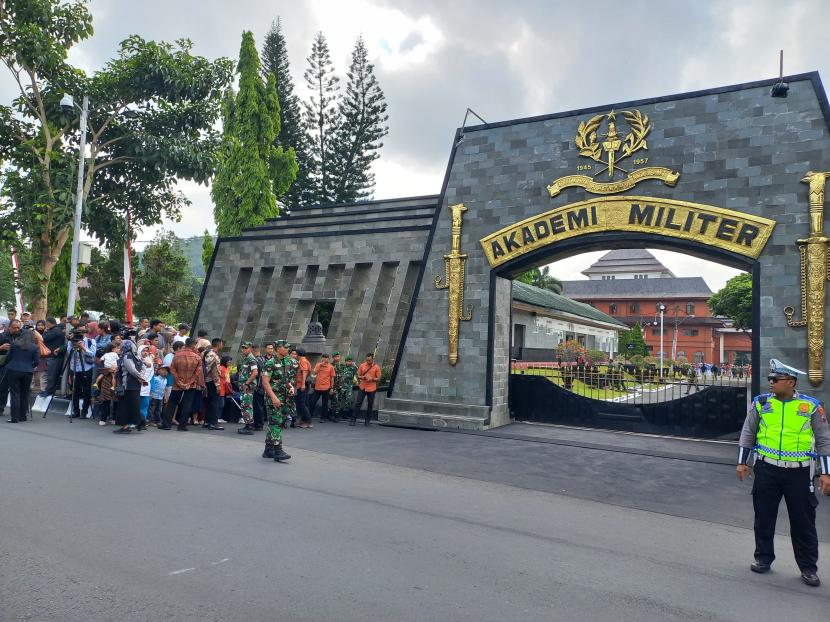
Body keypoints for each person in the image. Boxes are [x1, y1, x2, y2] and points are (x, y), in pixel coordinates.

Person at [737, 359, 830, 587]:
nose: (770, 383)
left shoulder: (811, 406)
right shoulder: (760, 403)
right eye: (770, 379)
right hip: (767, 470)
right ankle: (763, 558)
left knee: (803, 522)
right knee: (764, 517)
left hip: (798, 474)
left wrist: (826, 473)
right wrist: (743, 462)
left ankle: (808, 567)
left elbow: (823, 441)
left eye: (775, 380)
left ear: (790, 382)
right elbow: (748, 432)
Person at [0, 320, 39, 423]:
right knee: (25, 393)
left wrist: (8, 365)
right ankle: (23, 416)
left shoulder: (15, 344)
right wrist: (29, 366)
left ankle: (14, 417)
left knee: (15, 394)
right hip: (28, 372)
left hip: (13, 370)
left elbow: (9, 358)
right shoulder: (35, 347)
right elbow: (37, 362)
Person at [162, 337, 204, 431]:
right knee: (187, 404)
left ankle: (167, 424)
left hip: (177, 385)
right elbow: (197, 372)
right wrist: (190, 382)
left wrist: (179, 382)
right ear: (193, 345)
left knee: (172, 403)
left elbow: (172, 370)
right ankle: (182, 426)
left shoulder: (177, 356)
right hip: (191, 384)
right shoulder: (197, 357)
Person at [260, 342, 292, 462]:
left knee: (275, 423)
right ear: (278, 349)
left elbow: (284, 379)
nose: (288, 349)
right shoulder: (270, 362)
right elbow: (265, 382)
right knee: (276, 424)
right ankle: (278, 450)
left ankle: (268, 450)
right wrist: (273, 397)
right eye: (286, 347)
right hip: (273, 399)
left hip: (282, 398)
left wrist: (290, 386)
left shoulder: (285, 362)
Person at [114, 340, 147, 433]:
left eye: (121, 346)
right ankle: (137, 423)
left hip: (128, 384)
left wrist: (141, 378)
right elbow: (143, 368)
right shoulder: (135, 356)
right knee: (132, 405)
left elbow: (132, 370)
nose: (120, 347)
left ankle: (136, 423)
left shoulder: (127, 356)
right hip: (134, 384)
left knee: (126, 406)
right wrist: (142, 377)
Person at [68, 325, 97, 418]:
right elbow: (69, 353)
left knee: (87, 390)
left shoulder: (90, 341)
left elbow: (92, 354)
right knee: (75, 390)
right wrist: (73, 344)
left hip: (87, 368)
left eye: (82, 331)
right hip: (74, 368)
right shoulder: (71, 341)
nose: (80, 334)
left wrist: (83, 347)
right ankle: (75, 411)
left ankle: (84, 412)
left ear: (85, 332)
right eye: (78, 331)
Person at [38, 317, 66, 397]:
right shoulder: (53, 330)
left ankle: (49, 391)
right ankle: (48, 390)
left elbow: (43, 338)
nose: (45, 325)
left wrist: (44, 332)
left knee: (51, 375)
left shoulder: (55, 330)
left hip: (54, 357)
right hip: (52, 356)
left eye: (46, 323)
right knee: (50, 374)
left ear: (49, 323)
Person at [202, 337, 225, 431]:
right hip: (212, 381)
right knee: (215, 402)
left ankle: (207, 422)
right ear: (219, 344)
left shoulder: (207, 353)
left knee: (209, 402)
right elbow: (214, 371)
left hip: (207, 380)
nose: (222, 346)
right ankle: (213, 423)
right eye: (222, 344)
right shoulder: (214, 355)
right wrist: (218, 384)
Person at [352, 352, 381, 426]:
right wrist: (363, 377)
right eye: (367, 360)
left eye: (369, 360)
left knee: (370, 404)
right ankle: (353, 420)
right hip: (363, 387)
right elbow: (358, 376)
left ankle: (367, 420)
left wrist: (372, 379)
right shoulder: (362, 365)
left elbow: (379, 378)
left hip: (371, 388)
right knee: (358, 403)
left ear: (372, 359)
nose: (368, 362)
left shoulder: (376, 367)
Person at [93, 342, 118, 426]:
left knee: (115, 400)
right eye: (117, 348)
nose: (118, 350)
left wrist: (115, 369)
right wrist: (108, 369)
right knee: (105, 400)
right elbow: (100, 368)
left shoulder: (117, 357)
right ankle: (103, 418)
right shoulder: (110, 356)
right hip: (106, 381)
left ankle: (114, 418)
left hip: (116, 380)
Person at [236, 341, 259, 435]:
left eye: (246, 348)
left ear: (250, 348)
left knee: (247, 406)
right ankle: (247, 425)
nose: (243, 349)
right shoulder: (246, 358)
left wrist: (247, 383)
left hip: (248, 386)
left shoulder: (251, 359)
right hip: (245, 386)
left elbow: (255, 372)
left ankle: (249, 427)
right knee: (245, 405)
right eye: (242, 347)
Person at [310, 353, 336, 421]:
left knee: (325, 403)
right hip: (317, 387)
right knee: (312, 401)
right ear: (322, 358)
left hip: (326, 387)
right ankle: (309, 416)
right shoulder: (318, 364)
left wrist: (332, 388)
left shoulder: (331, 367)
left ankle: (323, 417)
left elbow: (332, 378)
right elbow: (314, 373)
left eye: (326, 358)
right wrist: (320, 365)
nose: (325, 359)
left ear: (328, 359)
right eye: (324, 357)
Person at [332, 352, 355, 420]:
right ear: (333, 357)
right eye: (335, 356)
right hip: (334, 386)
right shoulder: (331, 365)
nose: (337, 358)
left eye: (338, 356)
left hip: (341, 386)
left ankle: (338, 415)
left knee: (343, 400)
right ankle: (333, 414)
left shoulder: (342, 366)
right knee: (335, 401)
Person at [295, 347, 312, 428]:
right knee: (304, 403)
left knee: (301, 403)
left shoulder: (302, 361)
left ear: (298, 354)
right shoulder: (306, 360)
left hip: (302, 384)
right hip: (303, 384)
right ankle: (304, 420)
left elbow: (304, 372)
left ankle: (308, 420)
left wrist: (302, 384)